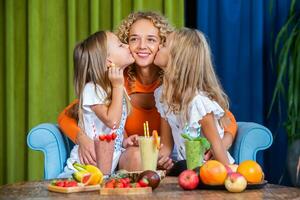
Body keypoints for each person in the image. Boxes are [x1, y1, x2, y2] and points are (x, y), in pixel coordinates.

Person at [58, 12, 237, 172]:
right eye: (134, 39)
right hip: (135, 158)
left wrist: (221, 145)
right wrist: (82, 138)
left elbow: (224, 120)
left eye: (151, 39)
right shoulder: (116, 82)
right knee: (138, 157)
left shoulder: (177, 88)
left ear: (164, 46)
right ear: (126, 45)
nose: (142, 46)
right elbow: (68, 115)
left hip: (177, 159)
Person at [154, 28, 235, 172]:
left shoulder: (197, 102)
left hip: (211, 169)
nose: (159, 46)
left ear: (177, 58)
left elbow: (216, 145)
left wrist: (230, 176)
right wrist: (155, 162)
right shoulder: (162, 95)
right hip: (186, 169)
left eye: (164, 44)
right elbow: (166, 146)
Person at [58, 31, 134, 177]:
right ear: (108, 61)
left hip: (105, 169)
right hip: (83, 171)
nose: (126, 45)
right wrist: (118, 87)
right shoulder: (92, 89)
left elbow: (116, 128)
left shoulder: (116, 88)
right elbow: (112, 122)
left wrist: (125, 140)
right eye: (120, 45)